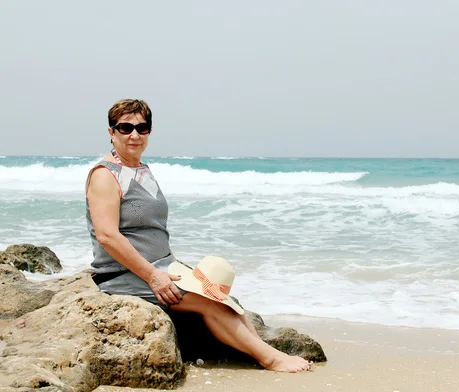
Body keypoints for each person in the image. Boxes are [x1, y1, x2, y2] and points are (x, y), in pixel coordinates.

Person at [85, 99, 312, 373]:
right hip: (124, 275)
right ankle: (270, 359)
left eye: (142, 128)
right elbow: (107, 236)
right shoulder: (105, 175)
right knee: (210, 302)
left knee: (221, 296)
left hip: (161, 265)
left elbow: (151, 230)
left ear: (149, 132)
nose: (134, 134)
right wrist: (153, 276)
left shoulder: (143, 170)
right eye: (125, 128)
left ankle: (264, 350)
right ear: (112, 132)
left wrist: (175, 265)